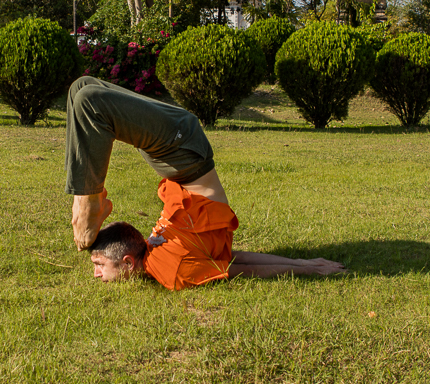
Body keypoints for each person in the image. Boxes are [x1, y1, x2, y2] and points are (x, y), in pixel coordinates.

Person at [65, 76, 346, 290]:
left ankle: (88, 199)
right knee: (87, 97)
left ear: (128, 262)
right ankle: (88, 197)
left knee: (83, 89)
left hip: (181, 152)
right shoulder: (166, 263)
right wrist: (305, 266)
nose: (96, 274)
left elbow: (236, 267)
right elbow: (234, 263)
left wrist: (306, 267)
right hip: (181, 152)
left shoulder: (164, 263)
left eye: (99, 264)